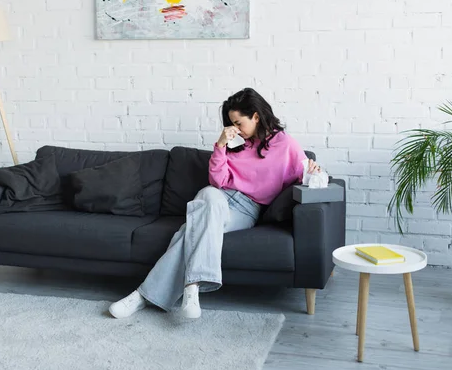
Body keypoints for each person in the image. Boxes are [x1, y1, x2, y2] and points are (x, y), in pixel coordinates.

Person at [109, 88, 321, 319]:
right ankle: (192, 289)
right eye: (232, 124)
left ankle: (143, 296)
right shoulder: (235, 144)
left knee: (188, 232)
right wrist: (220, 146)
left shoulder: (286, 145)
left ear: (256, 117)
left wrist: (314, 172)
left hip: (246, 209)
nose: (236, 129)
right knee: (208, 196)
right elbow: (217, 181)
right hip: (217, 197)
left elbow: (310, 178)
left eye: (239, 123)